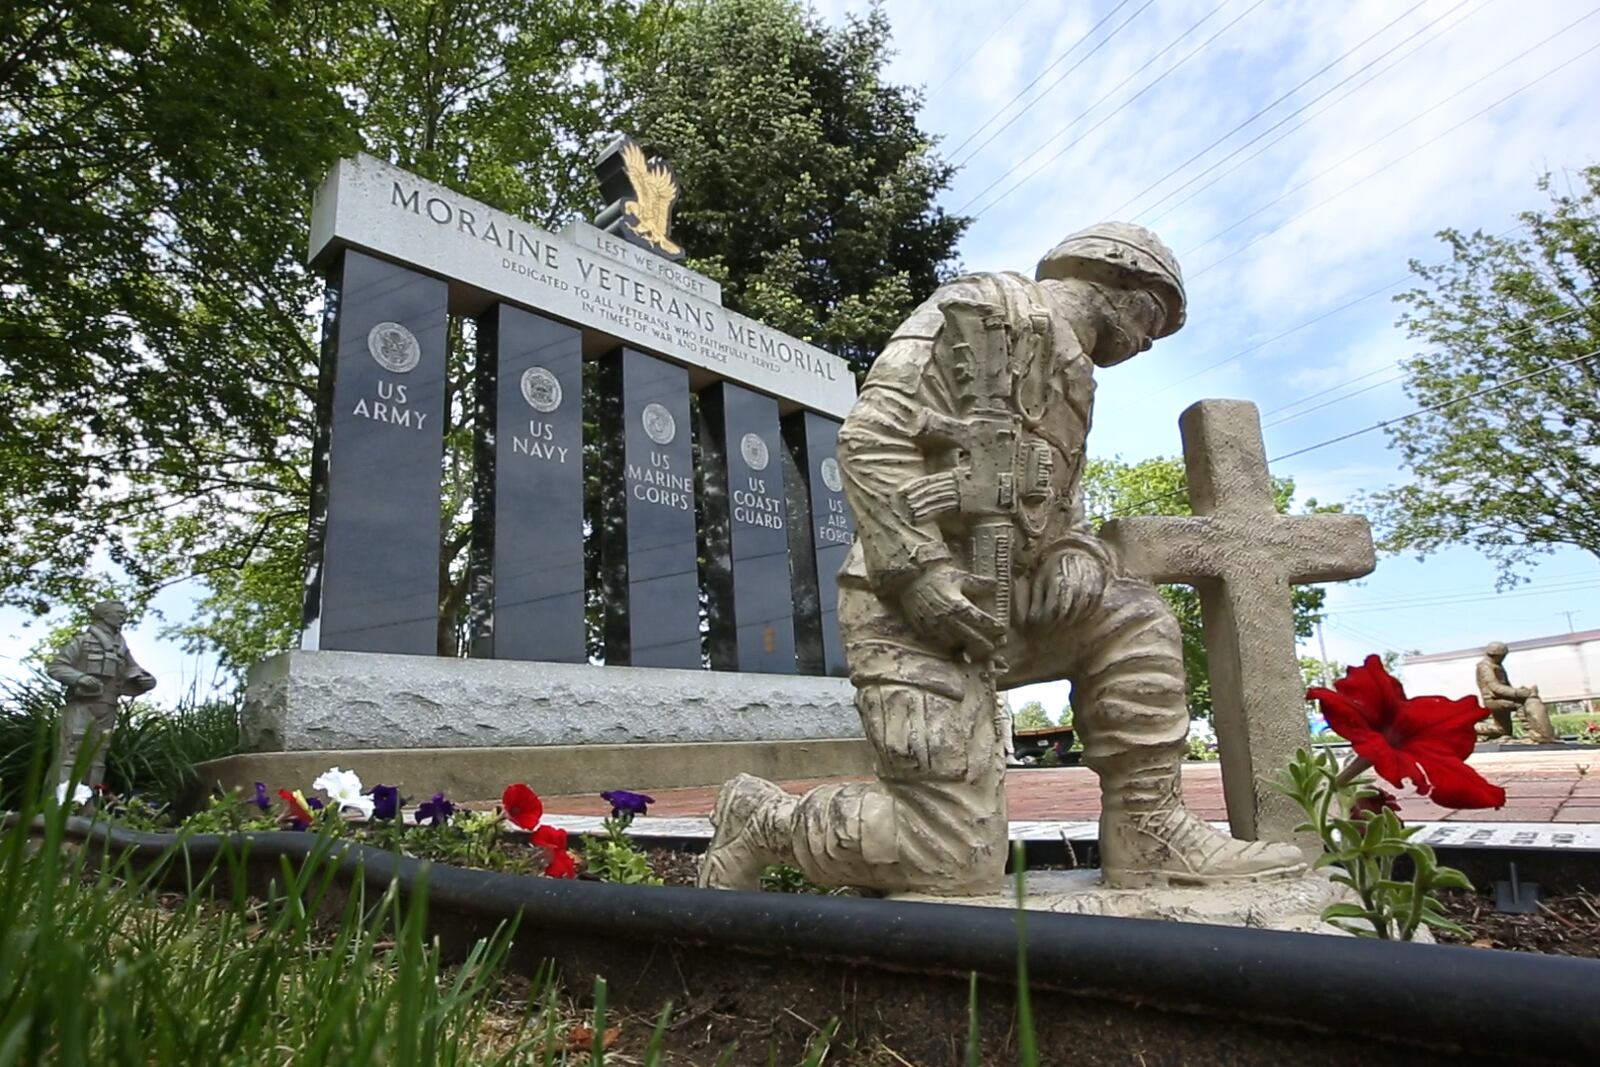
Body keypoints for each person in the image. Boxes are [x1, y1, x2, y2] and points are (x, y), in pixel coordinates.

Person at [700, 223, 1306, 894]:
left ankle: (1148, 828)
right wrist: (923, 573)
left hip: (1012, 601)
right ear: (1117, 282)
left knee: (1131, 613)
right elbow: (874, 437)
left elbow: (1053, 504)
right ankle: (764, 819)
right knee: (950, 860)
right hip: (912, 613)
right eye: (1150, 317)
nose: (1146, 342)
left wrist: (1072, 553)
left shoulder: (1077, 380)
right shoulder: (982, 305)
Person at [46, 599, 157, 793]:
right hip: (81, 706)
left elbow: (134, 671)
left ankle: (89, 807)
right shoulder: (83, 641)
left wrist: (147, 681)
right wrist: (80, 678)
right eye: (119, 613)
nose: (123, 617)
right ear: (104, 615)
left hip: (108, 707)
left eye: (125, 614)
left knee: (98, 758)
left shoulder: (121, 648)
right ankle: (61, 805)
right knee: (71, 753)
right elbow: (56, 667)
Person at [1475, 641, 1556, 744]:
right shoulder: (1485, 666)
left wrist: (1518, 691)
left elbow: (1505, 686)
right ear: (1497, 655)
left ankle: (1469, 728)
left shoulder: (1496, 665)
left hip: (1500, 698)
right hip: (1494, 700)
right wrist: (1518, 693)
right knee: (1520, 705)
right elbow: (1495, 687)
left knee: (1502, 730)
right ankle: (1531, 732)